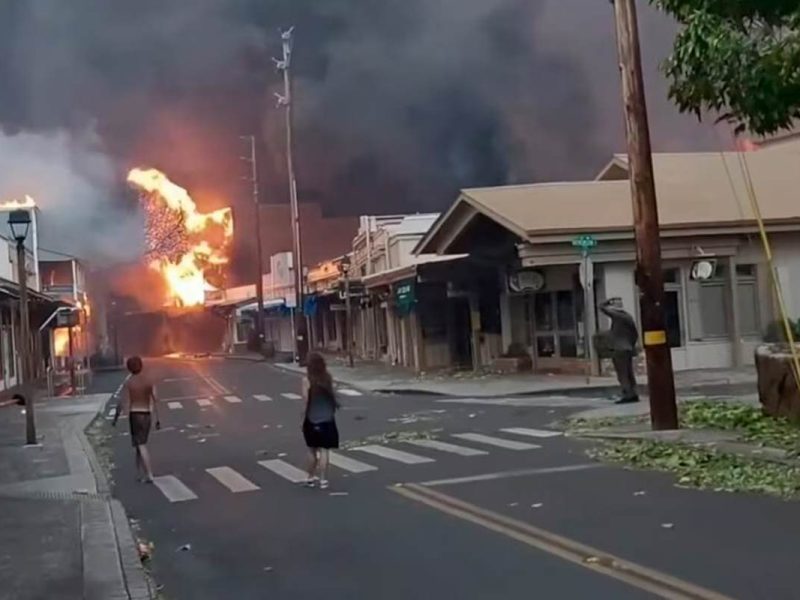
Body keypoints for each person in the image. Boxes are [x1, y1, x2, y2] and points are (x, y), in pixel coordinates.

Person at [113, 356, 161, 482]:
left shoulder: (129, 382)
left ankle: (149, 474)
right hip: (147, 415)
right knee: (139, 444)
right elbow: (155, 399)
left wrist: (115, 418)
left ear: (129, 368)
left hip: (135, 414)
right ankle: (139, 473)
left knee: (140, 444)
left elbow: (121, 403)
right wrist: (157, 419)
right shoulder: (149, 380)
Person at [301, 353, 340, 489]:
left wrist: (303, 415)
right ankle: (323, 480)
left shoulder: (307, 380)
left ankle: (310, 478)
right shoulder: (327, 378)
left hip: (312, 418)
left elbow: (306, 400)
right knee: (324, 450)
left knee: (312, 450)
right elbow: (332, 395)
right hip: (327, 418)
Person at [599, 297, 640, 404]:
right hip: (627, 348)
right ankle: (634, 393)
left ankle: (627, 394)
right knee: (629, 372)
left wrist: (607, 301)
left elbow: (601, 308)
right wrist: (630, 344)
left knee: (622, 373)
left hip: (618, 349)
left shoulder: (617, 316)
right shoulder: (628, 316)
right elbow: (635, 334)